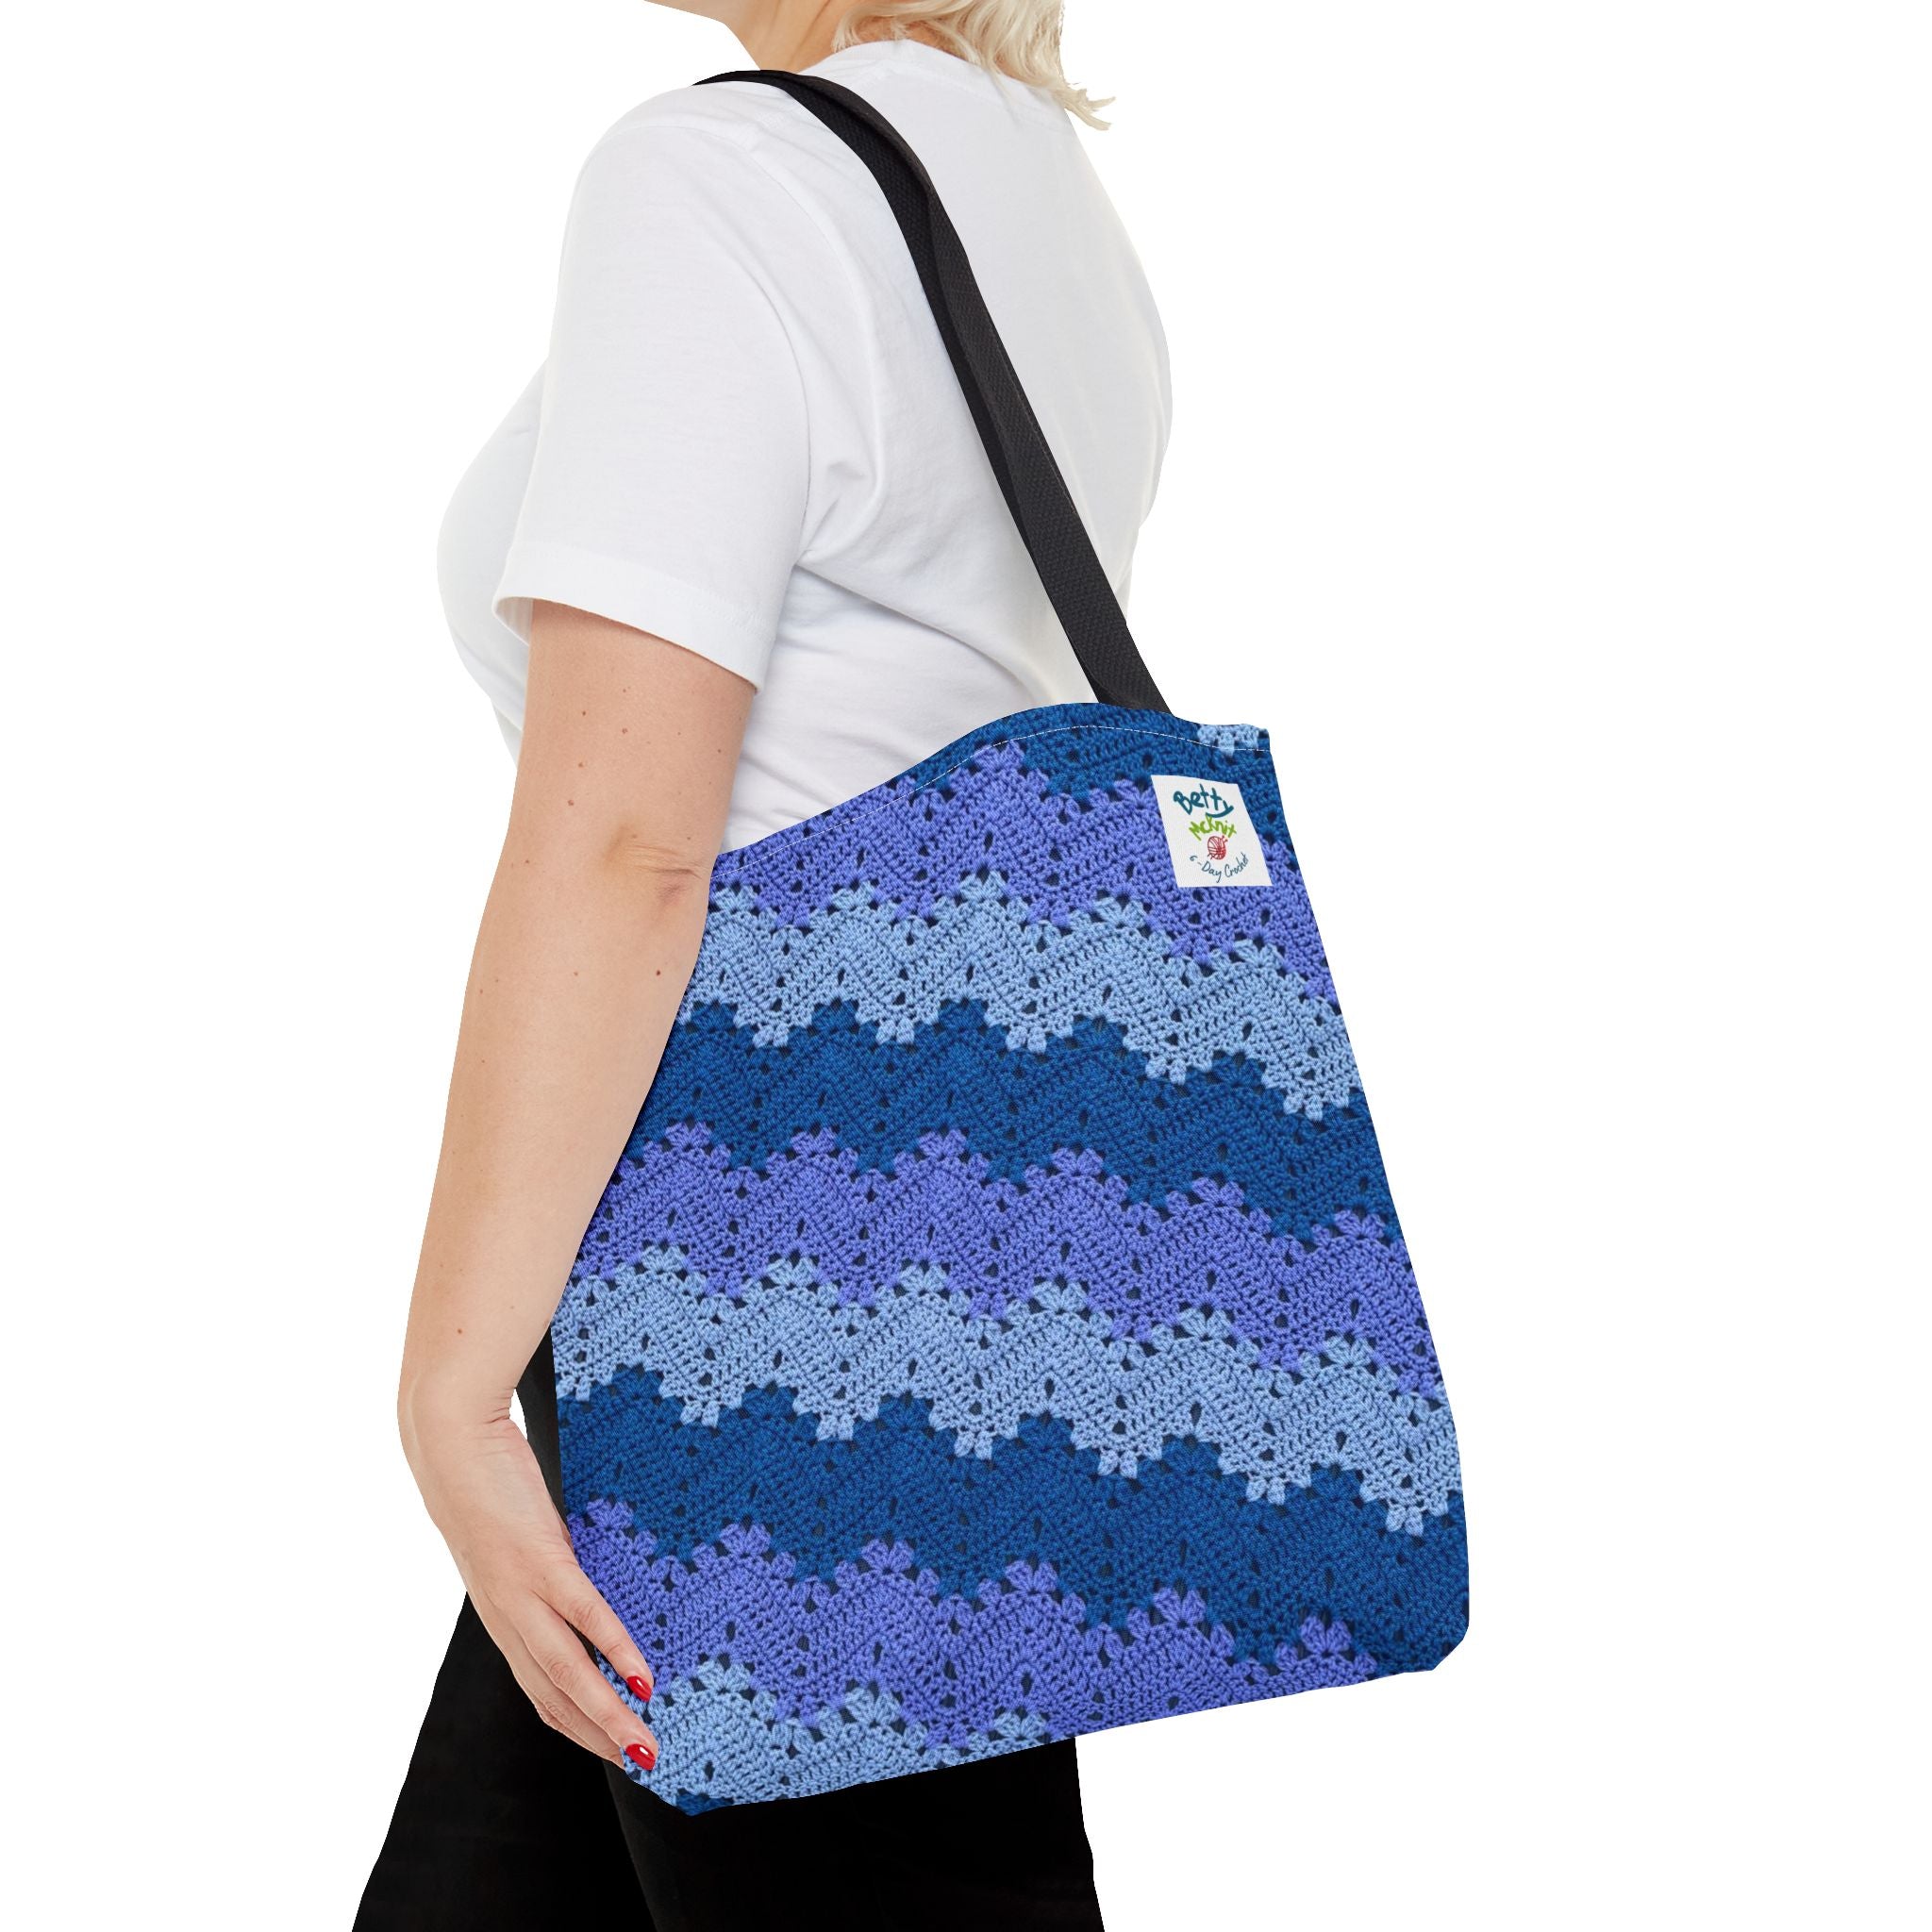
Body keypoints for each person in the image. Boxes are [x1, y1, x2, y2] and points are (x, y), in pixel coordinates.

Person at [358, 5, 1168, 1926]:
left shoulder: (723, 175)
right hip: (948, 1262)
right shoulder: (1025, 177)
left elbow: (627, 846)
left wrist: (452, 1387)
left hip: (760, 1313)